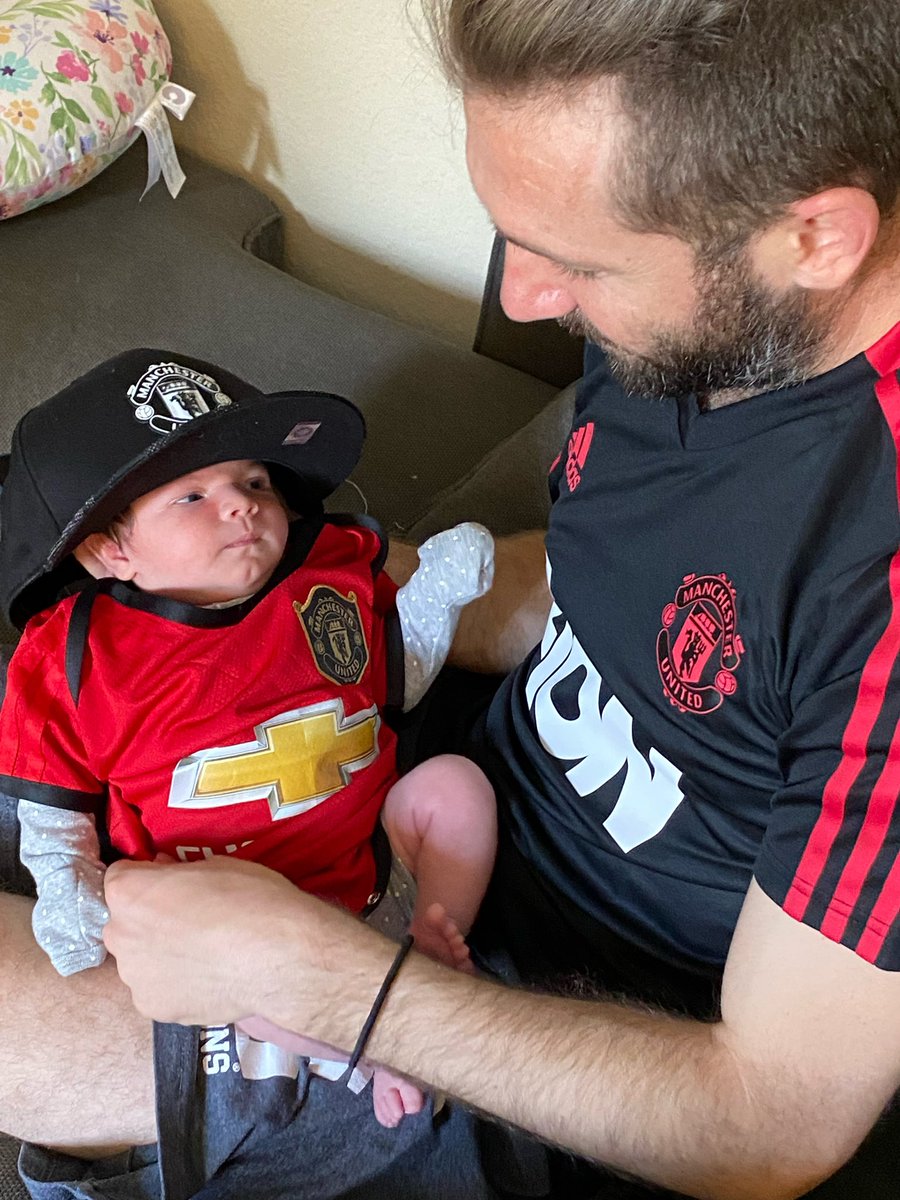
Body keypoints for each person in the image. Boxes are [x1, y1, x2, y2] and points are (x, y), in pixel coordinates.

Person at [4, 0, 900, 1198]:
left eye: (576, 262)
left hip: (569, 1036)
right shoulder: (713, 328)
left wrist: (328, 981)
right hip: (429, 796)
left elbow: (775, 1122)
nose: (527, 295)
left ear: (817, 238)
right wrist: (355, 608)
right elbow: (613, 578)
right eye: (515, 237)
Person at [0, 348, 496, 1132]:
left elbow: (391, 678)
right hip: (223, 912)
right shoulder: (79, 654)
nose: (242, 505)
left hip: (370, 871)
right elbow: (51, 795)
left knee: (456, 787)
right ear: (108, 550)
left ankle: (434, 933)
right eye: (193, 495)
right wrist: (67, 884)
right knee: (188, 954)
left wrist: (435, 599)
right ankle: (359, 1044)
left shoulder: (327, 570)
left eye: (255, 482)